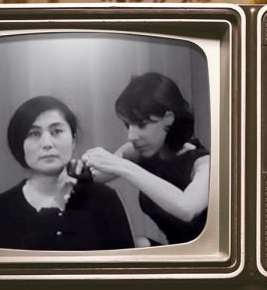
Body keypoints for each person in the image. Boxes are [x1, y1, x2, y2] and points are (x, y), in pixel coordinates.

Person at [0, 95, 134, 251]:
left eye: (56, 132)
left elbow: (126, 275)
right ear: (19, 145)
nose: (47, 143)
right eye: (34, 134)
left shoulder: (105, 200)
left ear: (73, 140)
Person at [79, 72, 210, 246]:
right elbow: (97, 176)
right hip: (172, 253)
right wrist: (79, 166)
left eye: (142, 124)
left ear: (168, 119)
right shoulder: (138, 150)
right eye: (128, 125)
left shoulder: (204, 163)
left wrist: (123, 166)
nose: (131, 135)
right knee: (134, 243)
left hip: (207, 261)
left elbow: (187, 209)